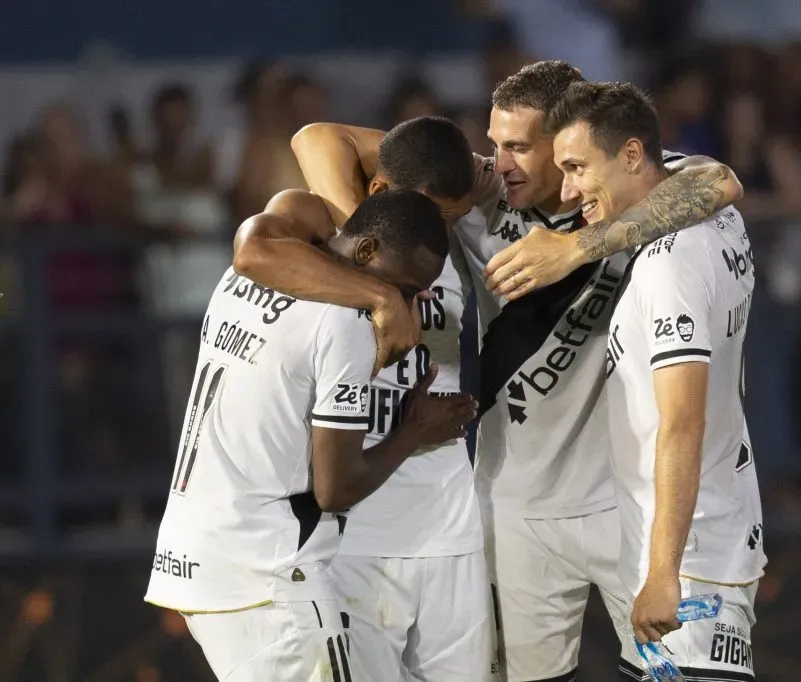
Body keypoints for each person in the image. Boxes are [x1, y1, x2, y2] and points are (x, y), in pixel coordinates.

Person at [287, 61, 744, 681]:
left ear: (573, 143)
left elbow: (719, 181)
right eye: (496, 144)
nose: (499, 162)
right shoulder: (485, 193)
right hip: (516, 501)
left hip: (625, 501)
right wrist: (376, 266)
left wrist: (579, 248)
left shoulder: (633, 190)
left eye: (520, 147)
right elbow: (317, 138)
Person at [145, 189, 477, 682]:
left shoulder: (247, 273)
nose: (410, 306)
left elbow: (286, 205)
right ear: (367, 253)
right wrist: (413, 431)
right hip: (270, 579)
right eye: (407, 287)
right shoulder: (345, 323)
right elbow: (334, 487)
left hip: (195, 555)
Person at [237, 116, 496, 681]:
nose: (440, 226)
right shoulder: (336, 239)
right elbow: (313, 136)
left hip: (449, 529)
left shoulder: (440, 247)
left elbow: (410, 153)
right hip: (351, 541)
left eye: (450, 218)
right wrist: (382, 297)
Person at [545, 80, 765, 681]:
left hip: (687, 562)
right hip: (699, 536)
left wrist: (664, 573)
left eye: (576, 167)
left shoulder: (671, 264)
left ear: (634, 156)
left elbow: (683, 422)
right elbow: (709, 178)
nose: (567, 191)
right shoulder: (719, 219)